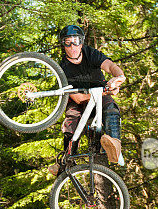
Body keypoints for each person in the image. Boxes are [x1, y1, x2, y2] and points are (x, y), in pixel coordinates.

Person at [49, 25, 126, 176]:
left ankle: (115, 144)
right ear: (63, 45)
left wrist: (119, 77)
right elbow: (77, 99)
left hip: (100, 95)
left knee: (111, 109)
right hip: (79, 99)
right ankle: (66, 160)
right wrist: (103, 93)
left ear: (82, 42)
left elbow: (110, 66)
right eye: (68, 42)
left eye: (76, 41)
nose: (72, 47)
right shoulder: (61, 68)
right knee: (71, 121)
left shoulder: (90, 53)